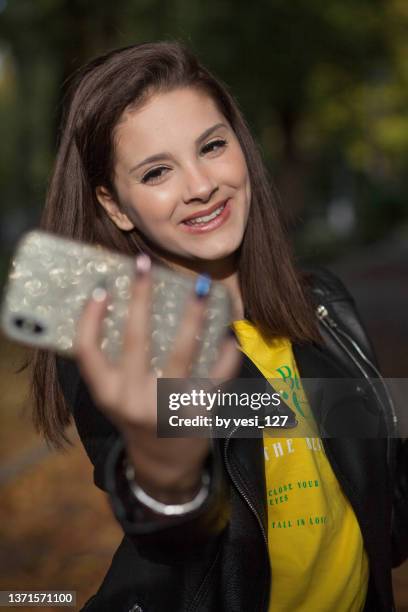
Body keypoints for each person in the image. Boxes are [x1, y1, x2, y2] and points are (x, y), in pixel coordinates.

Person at [28, 41, 407, 611]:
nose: (200, 185)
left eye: (211, 146)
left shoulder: (325, 304)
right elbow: (173, 530)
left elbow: (384, 514)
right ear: (116, 207)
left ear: (241, 147)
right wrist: (166, 479)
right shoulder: (122, 343)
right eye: (157, 171)